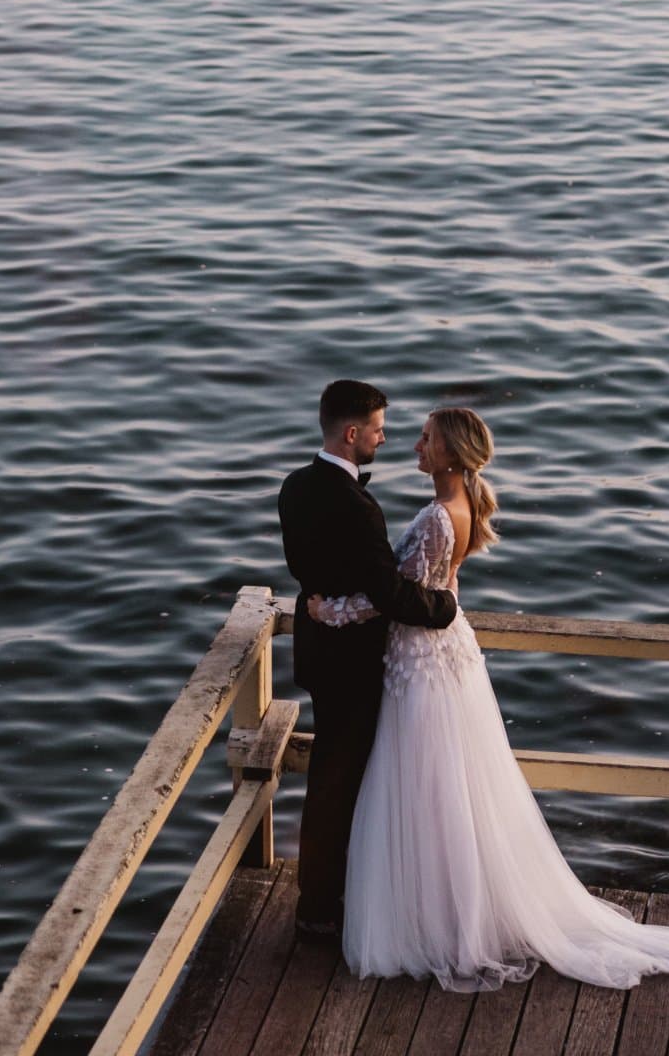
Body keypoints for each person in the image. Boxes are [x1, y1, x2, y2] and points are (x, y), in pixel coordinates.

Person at [308, 406, 669, 993]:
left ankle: (435, 922)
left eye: (427, 439)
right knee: (449, 789)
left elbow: (396, 597)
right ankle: (450, 911)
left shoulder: (435, 517)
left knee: (426, 786)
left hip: (423, 662)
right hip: (444, 655)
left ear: (451, 453)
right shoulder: (461, 506)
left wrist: (332, 611)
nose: (415, 446)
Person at [277, 379, 458, 936]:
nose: (384, 438)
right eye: (378, 430)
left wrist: (326, 605)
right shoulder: (357, 507)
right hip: (353, 665)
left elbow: (304, 570)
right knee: (342, 783)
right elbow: (390, 594)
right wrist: (445, 607)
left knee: (329, 777)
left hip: (317, 654)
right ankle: (321, 908)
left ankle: (325, 896)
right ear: (352, 433)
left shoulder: (294, 486)